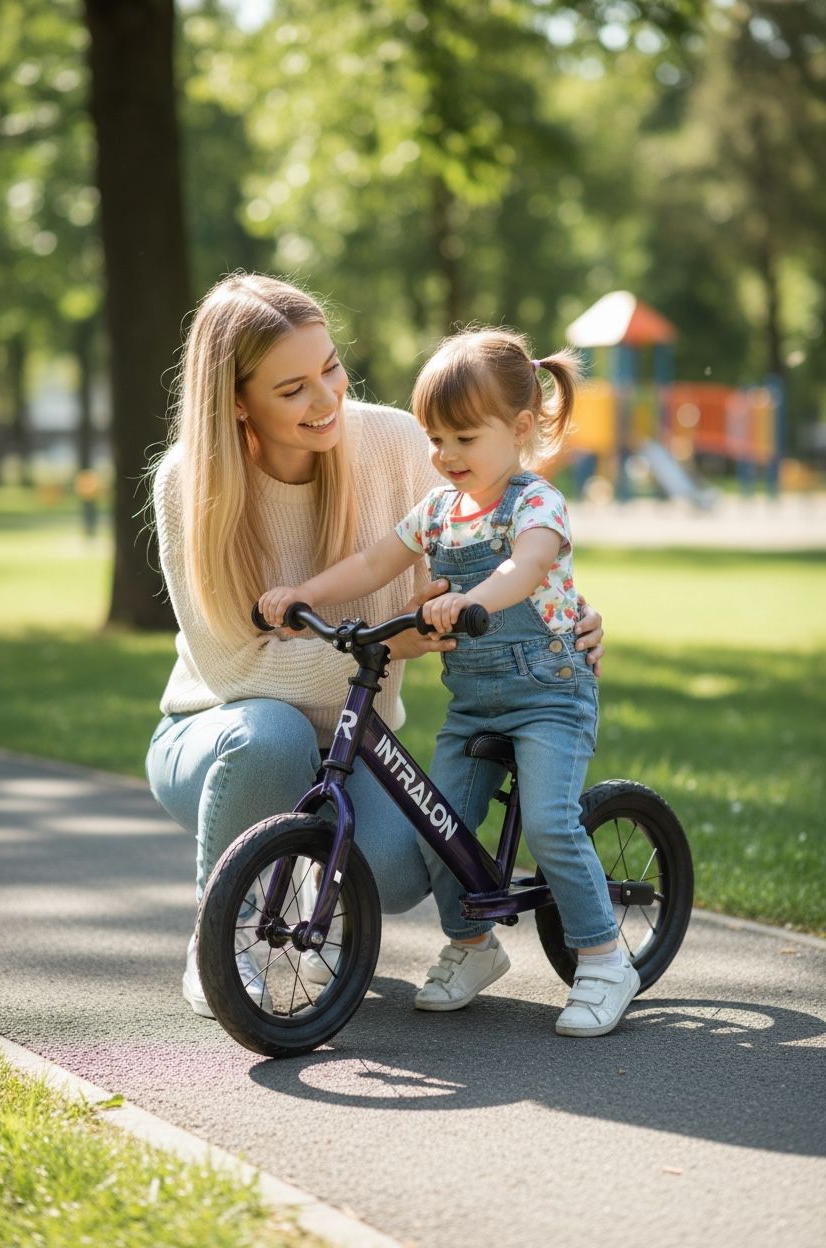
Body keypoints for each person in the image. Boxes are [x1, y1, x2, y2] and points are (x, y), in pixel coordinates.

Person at [145, 274, 605, 1020]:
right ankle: (221, 938)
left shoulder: (399, 444)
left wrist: (572, 618)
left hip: (356, 738)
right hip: (219, 730)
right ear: (237, 400)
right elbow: (234, 669)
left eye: (330, 367)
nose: (325, 399)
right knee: (273, 734)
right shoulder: (187, 483)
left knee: (402, 868)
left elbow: (507, 543)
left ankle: (304, 875)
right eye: (291, 389)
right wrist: (393, 649)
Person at [259, 327, 638, 1038]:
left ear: (520, 429)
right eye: (436, 439)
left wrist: (470, 602)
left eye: (464, 438)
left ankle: (605, 956)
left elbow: (523, 570)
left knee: (553, 822)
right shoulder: (436, 511)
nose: (445, 456)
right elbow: (373, 564)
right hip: (476, 703)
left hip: (550, 695)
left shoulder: (536, 505)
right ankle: (472, 946)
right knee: (438, 829)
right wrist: (301, 595)